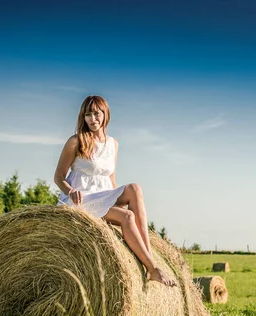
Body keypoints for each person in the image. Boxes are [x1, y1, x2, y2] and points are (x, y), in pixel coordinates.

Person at [54, 95, 175, 287]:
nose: (92, 119)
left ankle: (148, 255)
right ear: (82, 117)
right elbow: (59, 176)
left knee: (135, 189)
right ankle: (152, 268)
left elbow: (110, 179)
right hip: (81, 200)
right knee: (126, 217)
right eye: (88, 115)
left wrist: (114, 198)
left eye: (96, 114)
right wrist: (70, 191)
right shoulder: (76, 141)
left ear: (105, 114)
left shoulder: (113, 144)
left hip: (102, 196)